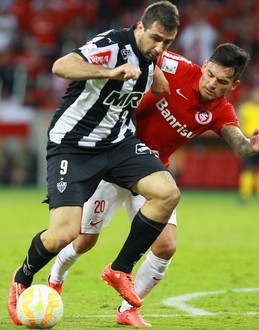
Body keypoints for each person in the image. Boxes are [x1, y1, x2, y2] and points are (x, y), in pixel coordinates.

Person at [47, 43, 259, 327]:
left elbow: (237, 141)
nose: (212, 84)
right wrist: (154, 73)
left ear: (234, 84)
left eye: (222, 81)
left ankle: (128, 308)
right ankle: (55, 280)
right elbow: (146, 48)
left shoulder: (220, 111)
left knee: (166, 246)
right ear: (204, 65)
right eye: (210, 74)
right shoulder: (177, 66)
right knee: (83, 241)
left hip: (153, 174)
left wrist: (250, 147)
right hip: (117, 158)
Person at [7, 1, 180, 326]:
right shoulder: (112, 45)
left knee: (167, 193)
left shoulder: (152, 56)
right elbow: (62, 65)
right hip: (72, 146)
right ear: (140, 27)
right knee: (64, 234)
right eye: (156, 38)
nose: (160, 48)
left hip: (119, 144)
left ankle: (120, 268)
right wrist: (109, 72)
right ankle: (24, 275)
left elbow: (152, 63)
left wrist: (155, 72)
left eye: (167, 43)